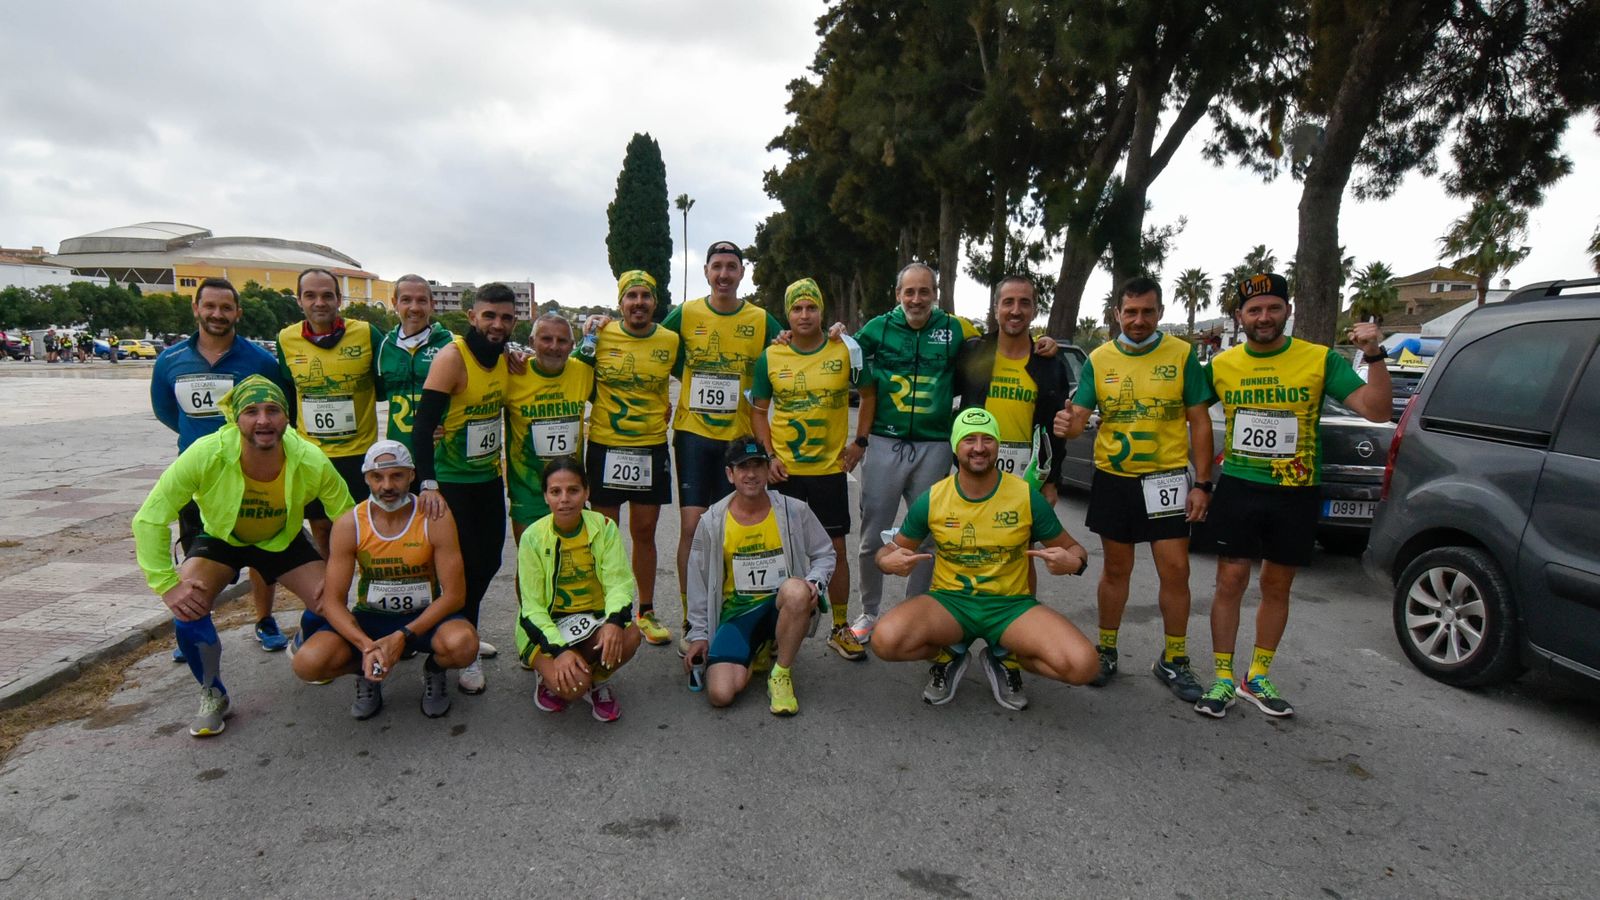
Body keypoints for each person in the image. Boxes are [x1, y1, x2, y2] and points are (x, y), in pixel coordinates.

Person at [1195, 273, 1391, 719]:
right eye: (1254, 310)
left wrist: (1375, 353)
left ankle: (1257, 676)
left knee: (1276, 585)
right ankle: (1223, 678)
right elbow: (1185, 410)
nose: (1264, 317)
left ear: (1287, 311)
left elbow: (1377, 410)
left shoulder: (1319, 359)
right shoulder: (1222, 365)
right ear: (1239, 317)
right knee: (1229, 582)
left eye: (1272, 308)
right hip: (1240, 486)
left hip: (1296, 490)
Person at [131, 376, 354, 737]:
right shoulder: (206, 452)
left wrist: (339, 574)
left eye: (272, 410)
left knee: (333, 599)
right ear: (236, 418)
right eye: (251, 411)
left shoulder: (310, 457)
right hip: (222, 539)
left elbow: (346, 518)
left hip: (282, 537)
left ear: (286, 417)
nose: (263, 420)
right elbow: (149, 517)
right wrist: (166, 584)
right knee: (188, 608)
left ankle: (303, 642)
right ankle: (213, 692)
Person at [1053, 276, 1214, 704]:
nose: (1138, 320)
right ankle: (1106, 650)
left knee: (1175, 569)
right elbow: (1080, 413)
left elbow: (1199, 421)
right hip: (1115, 479)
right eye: (1130, 312)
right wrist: (1067, 425)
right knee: (1116, 570)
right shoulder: (1101, 358)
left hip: (1164, 479)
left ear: (1160, 312)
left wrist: (1202, 483)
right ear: (1117, 314)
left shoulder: (1182, 355)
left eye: (1147, 311)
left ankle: (1174, 658)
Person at [871, 408, 1097, 709]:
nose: (979, 447)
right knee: (885, 641)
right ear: (955, 447)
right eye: (969, 439)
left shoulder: (1026, 496)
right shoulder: (934, 498)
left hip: (1010, 607)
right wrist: (888, 563)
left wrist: (1073, 564)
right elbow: (887, 551)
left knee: (1083, 665)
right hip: (951, 603)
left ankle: (1004, 656)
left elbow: (1075, 549)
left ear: (997, 445)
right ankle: (949, 653)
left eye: (987, 439)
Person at [151, 276, 293, 656]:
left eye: (226, 307)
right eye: (209, 306)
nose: (217, 314)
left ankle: (264, 619)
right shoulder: (170, 360)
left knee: (264, 547)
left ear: (238, 313)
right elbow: (166, 411)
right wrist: (203, 445)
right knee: (198, 550)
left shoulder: (259, 360)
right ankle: (196, 624)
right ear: (195, 308)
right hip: (198, 475)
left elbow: (278, 408)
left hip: (253, 471)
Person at [950, 274, 1073, 705]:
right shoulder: (973, 352)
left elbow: (1057, 424)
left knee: (1024, 558)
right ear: (996, 307)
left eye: (1024, 303)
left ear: (1034, 309)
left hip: (1026, 481)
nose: (1015, 310)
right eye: (1008, 303)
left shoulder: (1048, 361)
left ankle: (1007, 652)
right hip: (972, 472)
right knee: (964, 552)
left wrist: (1053, 480)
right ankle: (958, 642)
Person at [288, 440, 477, 719]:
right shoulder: (349, 523)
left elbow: (454, 595)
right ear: (366, 478)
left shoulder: (434, 516)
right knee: (308, 663)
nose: (387, 486)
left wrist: (403, 636)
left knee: (464, 646)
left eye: (396, 475)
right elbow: (332, 601)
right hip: (372, 618)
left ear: (411, 475)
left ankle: (435, 670)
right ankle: (366, 669)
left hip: (424, 618)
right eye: (377, 477)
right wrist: (366, 645)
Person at [850, 263, 981, 643]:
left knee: (927, 534)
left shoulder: (955, 328)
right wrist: (834, 334)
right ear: (897, 294)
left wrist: (1043, 344)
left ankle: (915, 611)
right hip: (885, 442)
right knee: (873, 535)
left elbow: (996, 342)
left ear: (936, 293)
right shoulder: (878, 328)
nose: (917, 299)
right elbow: (841, 353)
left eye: (925, 291)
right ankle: (869, 611)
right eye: (910, 292)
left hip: (935, 446)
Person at [662, 241, 782, 648]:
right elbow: (656, 348)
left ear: (742, 273)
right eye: (717, 267)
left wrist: (838, 337)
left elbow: (794, 348)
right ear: (707, 272)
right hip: (694, 436)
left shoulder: (761, 318)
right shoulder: (687, 313)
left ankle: (733, 608)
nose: (724, 275)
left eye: (732, 267)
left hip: (739, 440)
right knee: (693, 528)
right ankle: (690, 616)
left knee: (738, 526)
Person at [750, 277, 873, 661]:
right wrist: (769, 456)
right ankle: (774, 628)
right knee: (780, 553)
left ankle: (839, 627)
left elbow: (869, 396)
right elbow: (757, 411)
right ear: (787, 314)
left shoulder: (844, 350)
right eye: (797, 309)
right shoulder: (772, 356)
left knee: (835, 550)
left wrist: (860, 442)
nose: (804, 315)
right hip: (786, 471)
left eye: (811, 307)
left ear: (822, 311)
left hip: (828, 471)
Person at [411, 282, 517, 694]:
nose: (497, 324)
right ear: (472, 316)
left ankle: (462, 631)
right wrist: (428, 484)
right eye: (489, 315)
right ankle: (459, 651)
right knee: (458, 570)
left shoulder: (506, 358)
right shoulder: (452, 358)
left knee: (488, 562)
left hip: (488, 478)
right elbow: (423, 427)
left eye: (506, 317)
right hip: (451, 484)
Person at [682, 438, 835, 716]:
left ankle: (781, 673)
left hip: (782, 605)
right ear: (730, 474)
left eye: (758, 466)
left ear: (768, 470)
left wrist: (814, 582)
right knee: (720, 694)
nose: (751, 474)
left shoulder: (793, 510)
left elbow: (825, 553)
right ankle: (758, 648)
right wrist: (699, 635)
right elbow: (698, 582)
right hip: (738, 612)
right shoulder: (713, 521)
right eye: (743, 467)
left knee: (797, 591)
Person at [577, 271, 682, 645]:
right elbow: (572, 372)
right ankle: (608, 609)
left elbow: (699, 375)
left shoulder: (670, 340)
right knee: (605, 536)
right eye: (631, 296)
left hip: (649, 446)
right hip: (606, 444)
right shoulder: (601, 335)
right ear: (620, 302)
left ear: (655, 302)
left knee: (644, 533)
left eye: (645, 296)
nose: (638, 302)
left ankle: (646, 610)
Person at [515, 457, 642, 722]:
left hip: (591, 620)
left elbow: (619, 582)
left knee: (630, 635)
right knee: (572, 688)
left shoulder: (604, 527)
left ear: (587, 492)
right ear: (546, 497)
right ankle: (547, 673)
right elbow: (532, 608)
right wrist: (559, 652)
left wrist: (615, 621)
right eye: (555, 492)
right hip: (546, 628)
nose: (564, 499)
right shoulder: (532, 538)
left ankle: (596, 680)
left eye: (573, 490)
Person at [277, 267, 382, 554]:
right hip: (312, 455)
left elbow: (386, 385)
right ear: (299, 300)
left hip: (357, 454)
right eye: (310, 296)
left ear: (339, 299)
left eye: (327, 295)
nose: (319, 303)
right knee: (321, 528)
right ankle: (327, 594)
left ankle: (363, 592)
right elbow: (287, 394)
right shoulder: (286, 339)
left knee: (361, 529)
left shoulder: (366, 333)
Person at [506, 313, 594, 540]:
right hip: (528, 491)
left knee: (570, 563)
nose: (554, 347)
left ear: (572, 346)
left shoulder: (584, 372)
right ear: (531, 342)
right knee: (529, 566)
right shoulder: (511, 374)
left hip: (571, 489)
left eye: (562, 341)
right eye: (546, 339)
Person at [376, 274, 455, 453]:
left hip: (441, 454)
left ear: (432, 305)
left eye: (421, 300)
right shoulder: (384, 346)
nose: (414, 307)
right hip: (400, 454)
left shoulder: (451, 343)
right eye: (406, 300)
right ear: (395, 303)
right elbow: (378, 393)